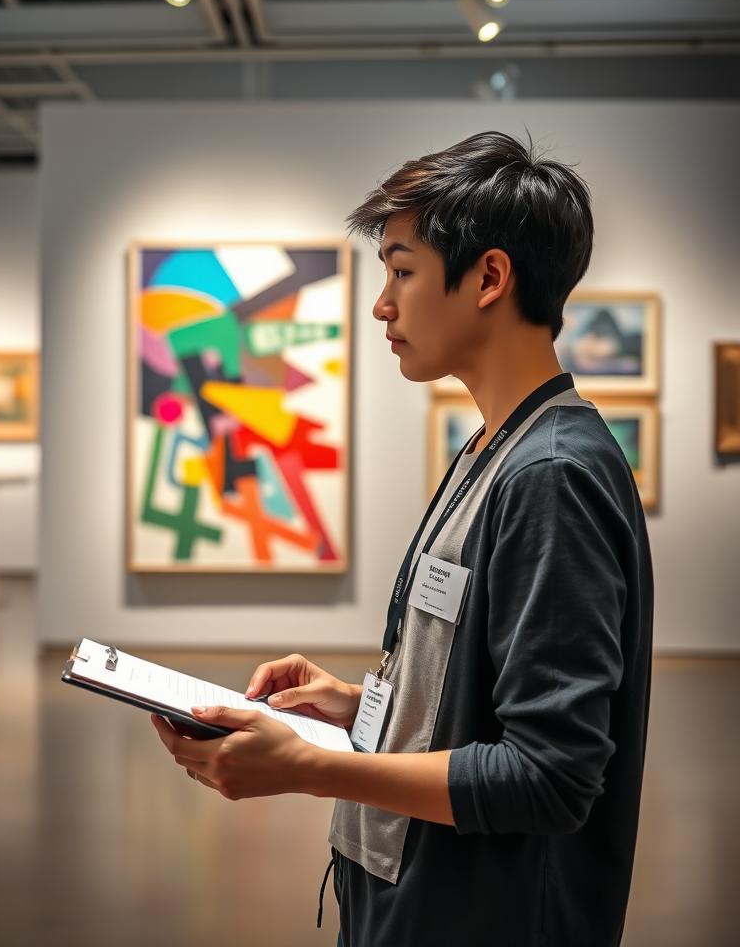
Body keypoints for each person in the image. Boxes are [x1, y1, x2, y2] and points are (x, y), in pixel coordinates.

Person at [151, 131, 654, 946]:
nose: (382, 303)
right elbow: (488, 701)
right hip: (419, 894)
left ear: (489, 277)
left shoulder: (551, 473)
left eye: (402, 270)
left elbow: (550, 777)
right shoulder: (496, 445)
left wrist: (308, 767)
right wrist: (355, 706)